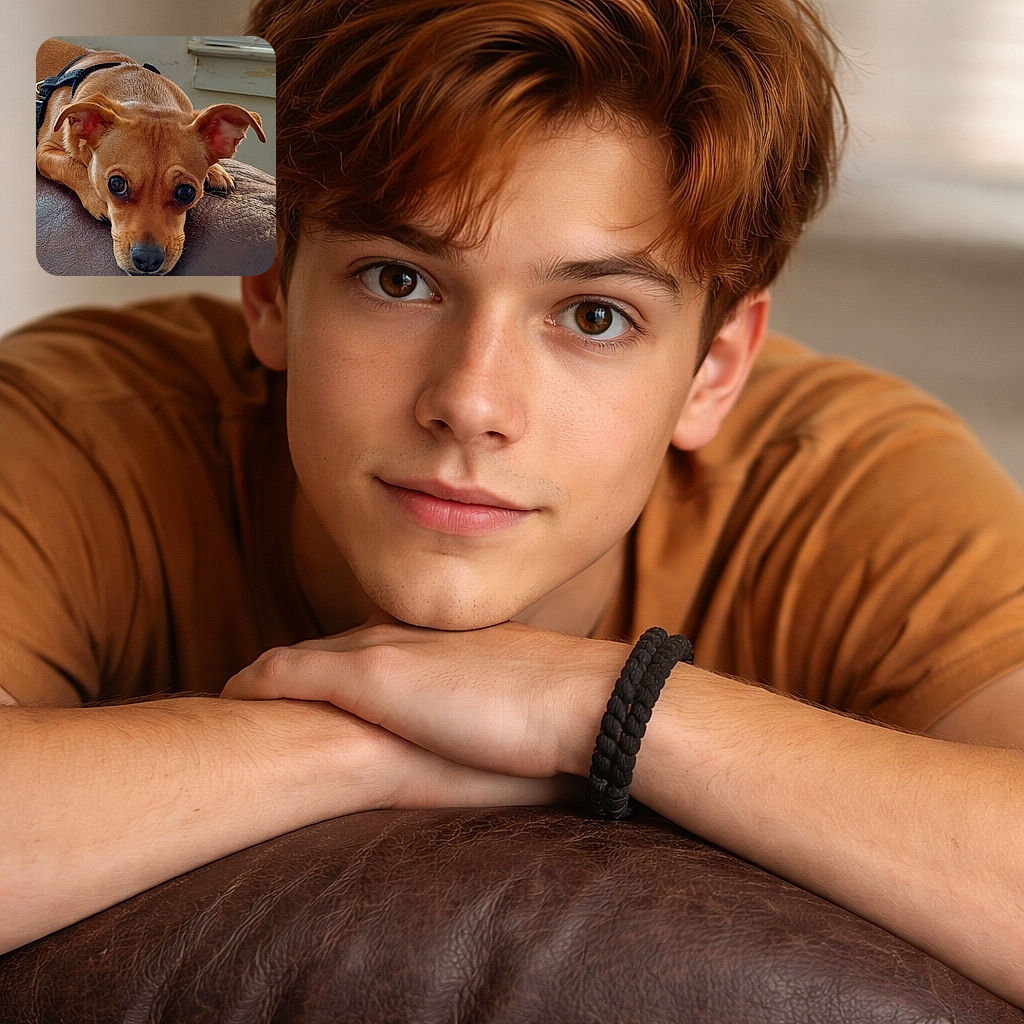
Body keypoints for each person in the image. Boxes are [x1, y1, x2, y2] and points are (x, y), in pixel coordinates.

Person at [3, 0, 1023, 1007]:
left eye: (593, 315)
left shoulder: (840, 485)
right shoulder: (81, 428)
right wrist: (359, 735)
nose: (470, 403)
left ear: (715, 368)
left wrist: (598, 707)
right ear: (270, 295)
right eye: (398, 280)